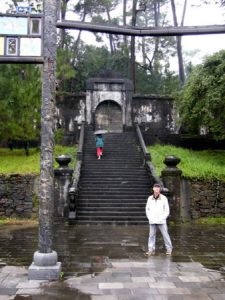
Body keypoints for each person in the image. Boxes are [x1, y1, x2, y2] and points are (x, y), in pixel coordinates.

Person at [145, 183, 173, 256]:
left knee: (165, 235)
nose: (157, 189)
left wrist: (163, 218)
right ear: (153, 189)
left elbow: (167, 210)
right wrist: (149, 217)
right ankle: (151, 250)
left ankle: (169, 249)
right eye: (155, 188)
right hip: (152, 220)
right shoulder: (149, 198)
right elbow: (147, 209)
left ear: (160, 189)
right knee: (151, 235)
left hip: (161, 220)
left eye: (158, 188)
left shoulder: (164, 198)